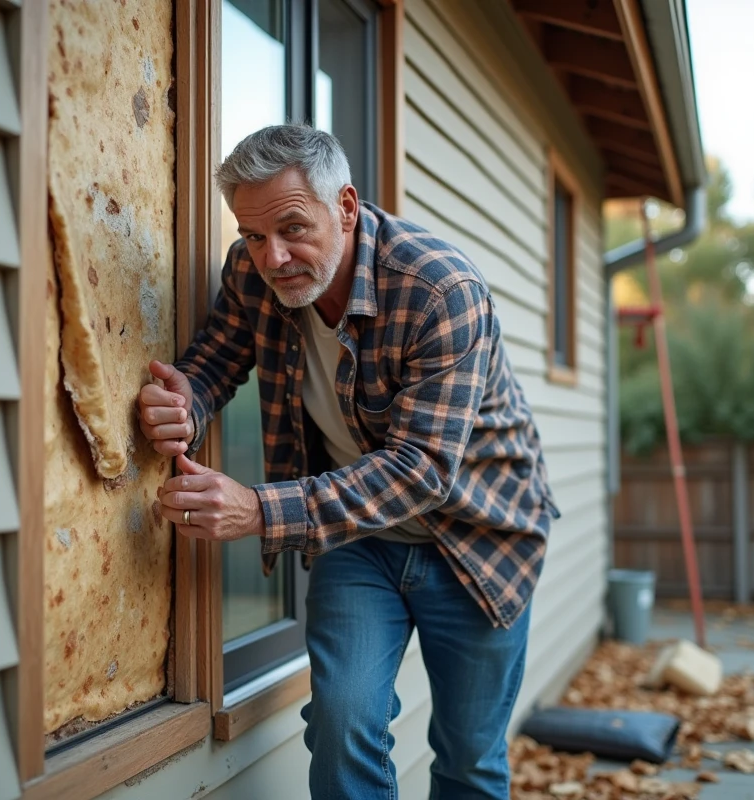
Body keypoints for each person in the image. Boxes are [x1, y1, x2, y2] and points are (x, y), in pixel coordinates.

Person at [138, 123, 559, 799]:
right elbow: (217, 360)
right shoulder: (253, 271)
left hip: (482, 539)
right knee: (342, 723)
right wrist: (185, 401)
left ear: (347, 207)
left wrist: (259, 507)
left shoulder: (438, 288)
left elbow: (420, 470)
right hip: (358, 541)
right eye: (252, 234)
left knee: (469, 759)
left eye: (293, 229)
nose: (273, 257)